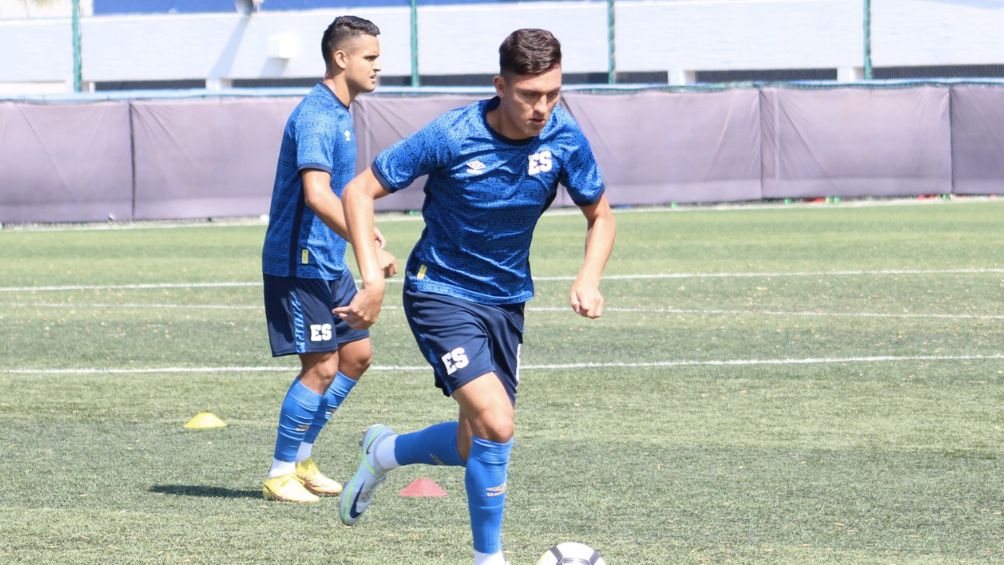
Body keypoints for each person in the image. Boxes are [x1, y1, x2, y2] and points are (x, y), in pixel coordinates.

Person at [335, 28, 616, 565]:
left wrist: (588, 277)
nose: (542, 108)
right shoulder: (452, 134)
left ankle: (383, 452)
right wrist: (372, 279)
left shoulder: (564, 138)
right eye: (530, 95)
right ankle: (489, 559)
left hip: (506, 302)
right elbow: (358, 190)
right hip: (440, 291)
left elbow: (600, 215)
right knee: (498, 423)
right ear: (500, 86)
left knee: (474, 445)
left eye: (553, 94)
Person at [259, 15, 397, 504]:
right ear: (342, 58)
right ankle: (279, 473)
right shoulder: (318, 114)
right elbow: (317, 195)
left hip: (325, 260)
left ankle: (301, 459)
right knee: (320, 366)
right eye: (371, 58)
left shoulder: (342, 111)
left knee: (357, 356)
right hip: (298, 263)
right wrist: (368, 249)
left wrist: (365, 230)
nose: (378, 67)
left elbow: (338, 194)